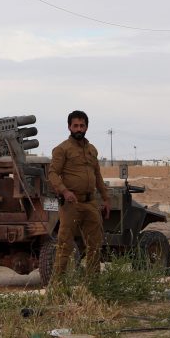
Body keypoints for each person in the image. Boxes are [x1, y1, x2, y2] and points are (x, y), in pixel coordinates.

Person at [48, 110, 111, 283]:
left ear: (86, 128)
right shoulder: (62, 149)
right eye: (75, 125)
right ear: (69, 127)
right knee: (64, 245)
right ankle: (57, 286)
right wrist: (64, 191)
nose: (79, 129)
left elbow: (97, 176)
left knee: (95, 245)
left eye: (82, 126)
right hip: (71, 204)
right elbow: (52, 173)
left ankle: (92, 283)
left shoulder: (92, 150)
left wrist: (105, 198)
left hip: (90, 203)